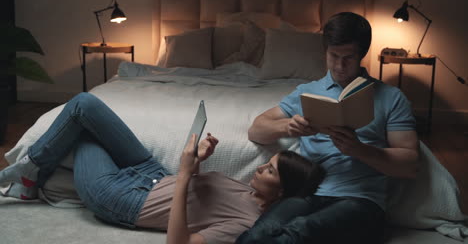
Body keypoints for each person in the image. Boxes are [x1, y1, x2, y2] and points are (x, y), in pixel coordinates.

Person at [0, 92, 325, 244]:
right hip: (150, 171)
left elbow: (178, 243)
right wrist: (198, 161)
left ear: (282, 193)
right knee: (84, 105)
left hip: (122, 198)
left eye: (269, 171)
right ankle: (32, 172)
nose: (259, 169)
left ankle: (31, 173)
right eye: (265, 163)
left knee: (82, 132)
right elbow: (200, 198)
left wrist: (184, 175)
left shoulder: (246, 225)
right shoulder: (251, 190)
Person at [238, 12, 420, 244]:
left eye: (349, 58)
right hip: (308, 193)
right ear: (325, 51)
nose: (340, 66)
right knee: (258, 235)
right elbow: (256, 130)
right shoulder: (307, 92)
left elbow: (410, 165)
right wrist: (288, 126)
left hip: (361, 200)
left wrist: (359, 150)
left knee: (296, 232)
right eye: (333, 56)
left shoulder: (392, 98)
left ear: (362, 54)